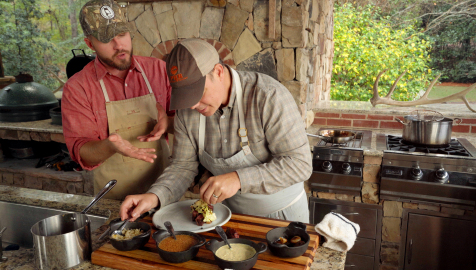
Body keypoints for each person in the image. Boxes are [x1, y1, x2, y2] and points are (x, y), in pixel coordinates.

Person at [120, 39, 312, 222]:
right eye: (186, 96)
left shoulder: (268, 96)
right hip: (230, 216)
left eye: (199, 93)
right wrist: (154, 197)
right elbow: (182, 167)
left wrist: (238, 179)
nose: (193, 104)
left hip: (283, 216)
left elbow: (299, 164)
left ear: (219, 72)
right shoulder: (186, 111)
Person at [61, 0, 174, 200]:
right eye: (107, 39)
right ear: (90, 44)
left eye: (122, 34)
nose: (119, 45)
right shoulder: (77, 89)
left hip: (164, 191)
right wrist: (110, 146)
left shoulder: (158, 70)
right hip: (114, 200)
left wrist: (167, 122)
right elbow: (82, 152)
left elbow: (186, 123)